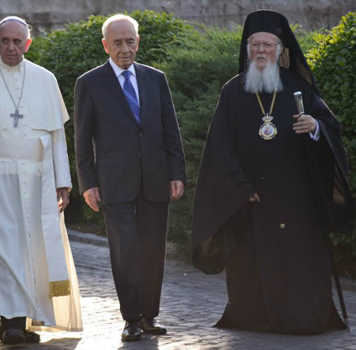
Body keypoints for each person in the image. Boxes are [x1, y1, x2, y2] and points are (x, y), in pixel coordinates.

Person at [191, 10, 355, 334]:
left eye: (268, 44)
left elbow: (331, 130)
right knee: (251, 263)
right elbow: (219, 148)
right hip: (253, 199)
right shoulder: (232, 91)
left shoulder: (299, 87)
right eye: (255, 45)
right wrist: (239, 186)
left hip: (298, 200)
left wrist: (315, 127)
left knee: (299, 263)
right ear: (247, 48)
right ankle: (255, 319)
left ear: (280, 49)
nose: (261, 51)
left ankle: (302, 319)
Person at [0, 16, 82, 345]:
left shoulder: (45, 79)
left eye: (17, 42)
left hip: (37, 179)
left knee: (34, 251)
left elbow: (56, 136)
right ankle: (9, 322)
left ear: (28, 43)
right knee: (3, 251)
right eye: (5, 41)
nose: (11, 47)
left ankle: (30, 319)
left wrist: (63, 181)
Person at [74, 14, 186, 341]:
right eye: (118, 42)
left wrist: (177, 172)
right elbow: (82, 138)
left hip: (155, 178)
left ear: (139, 42)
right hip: (113, 183)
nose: (125, 48)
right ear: (106, 45)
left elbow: (170, 130)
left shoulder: (155, 79)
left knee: (152, 249)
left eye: (130, 41)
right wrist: (88, 182)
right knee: (125, 250)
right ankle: (131, 319)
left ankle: (150, 315)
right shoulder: (90, 83)